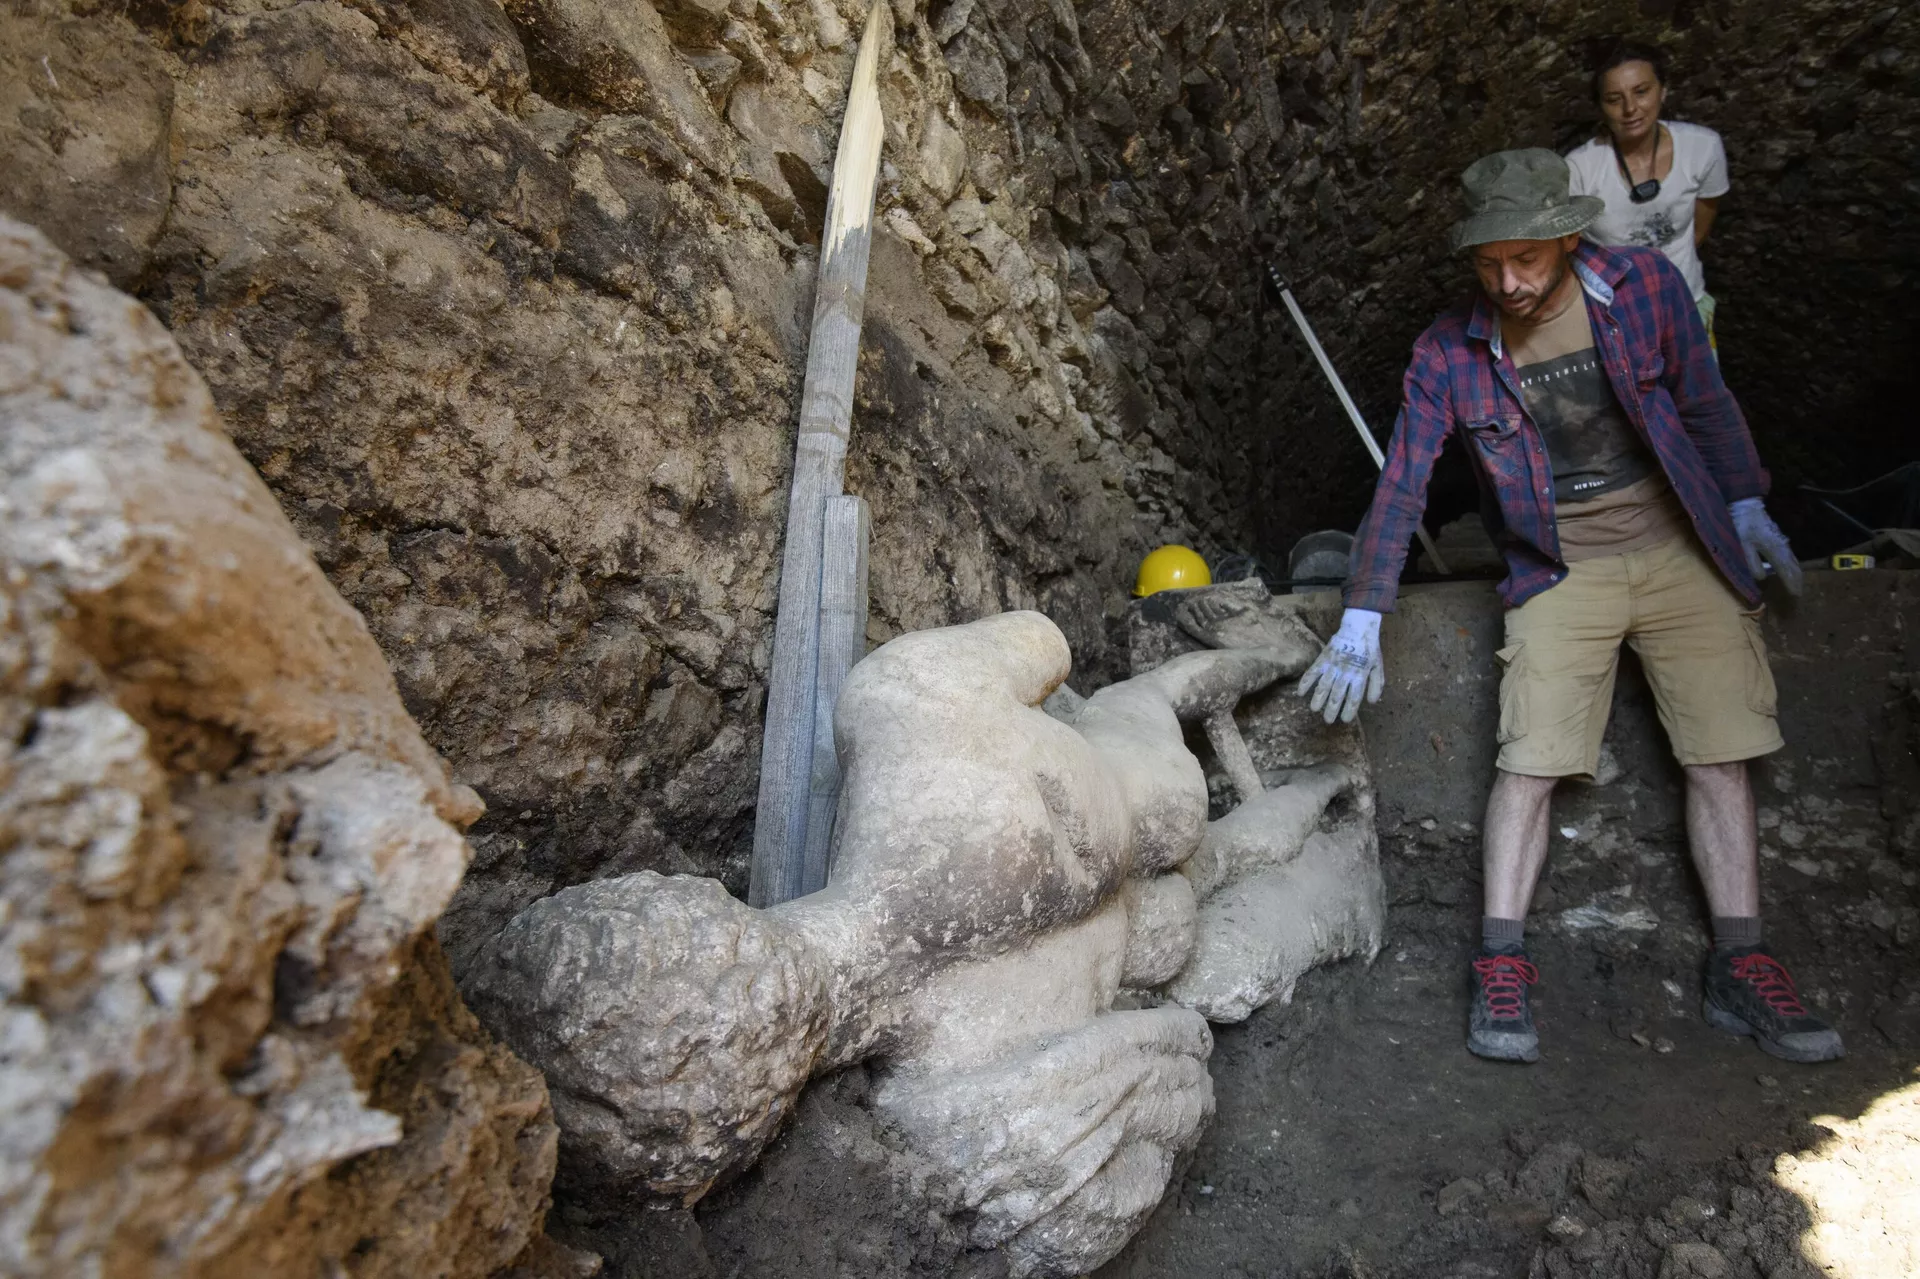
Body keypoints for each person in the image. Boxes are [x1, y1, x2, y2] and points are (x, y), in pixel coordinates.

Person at [1297, 148, 1842, 1067]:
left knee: (1721, 754)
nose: (1506, 282)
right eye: (1487, 263)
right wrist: (1364, 610)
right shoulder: (1448, 351)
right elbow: (1403, 481)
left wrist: (1744, 497)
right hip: (1560, 567)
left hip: (1679, 548)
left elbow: (1706, 400)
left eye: (1526, 259)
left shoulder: (1642, 288)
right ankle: (1501, 962)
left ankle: (1741, 965)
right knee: (1529, 760)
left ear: (1565, 235)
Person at [1566, 41, 1729, 348]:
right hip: (1616, 313)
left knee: (1699, 394)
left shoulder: (1702, 148)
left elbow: (1701, 224)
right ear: (1600, 106)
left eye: (1642, 91)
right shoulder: (1580, 169)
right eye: (1615, 99)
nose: (1630, 109)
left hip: (1685, 301)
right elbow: (1570, 249)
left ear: (1663, 90)